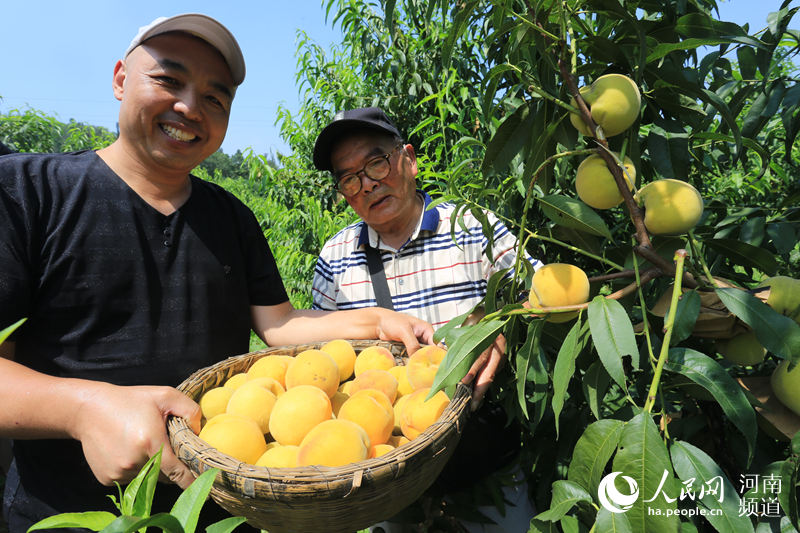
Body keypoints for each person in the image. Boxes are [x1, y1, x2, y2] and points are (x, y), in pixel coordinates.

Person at [0, 16, 433, 533]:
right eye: (168, 79)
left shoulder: (231, 218)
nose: (189, 107)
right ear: (120, 78)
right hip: (65, 514)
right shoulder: (26, 192)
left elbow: (279, 325)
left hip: (220, 511)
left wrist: (376, 321)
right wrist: (81, 409)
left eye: (215, 98)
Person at [310, 107, 541, 532]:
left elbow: (543, 289)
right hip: (389, 485)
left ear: (409, 159)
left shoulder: (471, 228)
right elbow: (323, 368)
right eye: (349, 178)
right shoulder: (335, 262)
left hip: (484, 467)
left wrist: (497, 324)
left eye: (376, 162)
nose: (367, 184)